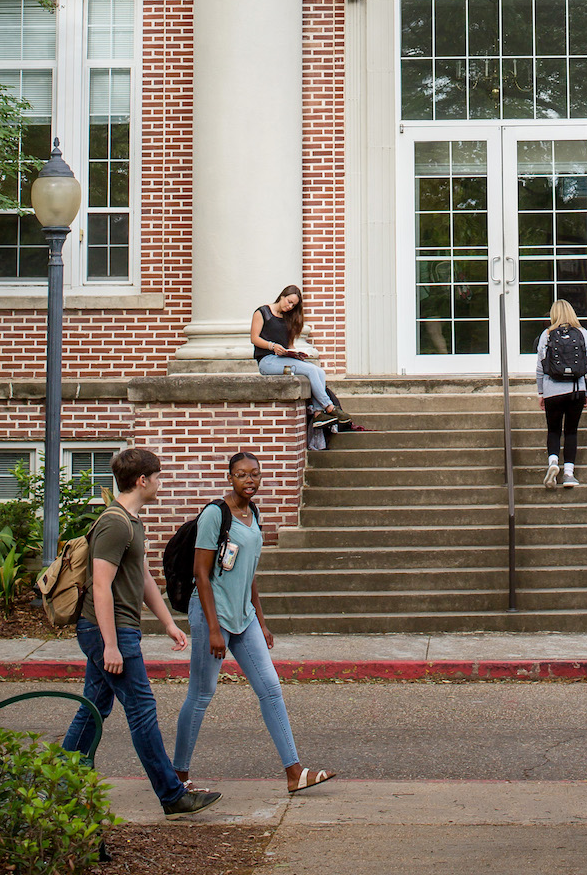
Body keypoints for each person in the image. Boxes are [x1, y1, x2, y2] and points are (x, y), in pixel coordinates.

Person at [61, 446, 220, 817]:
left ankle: (58, 783)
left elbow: (143, 576)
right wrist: (110, 646)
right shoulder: (115, 523)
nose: (161, 483)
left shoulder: (130, 521)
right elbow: (101, 587)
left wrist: (168, 623)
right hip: (109, 631)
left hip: (116, 630)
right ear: (142, 480)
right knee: (142, 710)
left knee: (94, 707)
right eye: (158, 476)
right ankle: (172, 795)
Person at [173, 451, 335, 794]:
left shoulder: (254, 513)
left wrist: (261, 621)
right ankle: (178, 776)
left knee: (271, 689)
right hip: (213, 615)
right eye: (242, 474)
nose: (250, 480)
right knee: (201, 695)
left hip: (243, 617)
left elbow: (249, 574)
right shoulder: (215, 514)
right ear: (230, 477)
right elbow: (201, 574)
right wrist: (213, 630)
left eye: (255, 474)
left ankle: (294, 772)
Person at [251, 285, 348, 429]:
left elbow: (290, 345)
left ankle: (318, 414)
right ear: (282, 296)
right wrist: (272, 346)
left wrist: (297, 355)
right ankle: (329, 407)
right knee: (310, 370)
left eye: (293, 305)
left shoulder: (288, 319)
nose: (290, 306)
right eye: (289, 302)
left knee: (319, 371)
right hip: (267, 361)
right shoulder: (263, 312)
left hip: (282, 359)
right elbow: (254, 338)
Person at [536, 300, 587, 490]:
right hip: (576, 390)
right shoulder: (583, 334)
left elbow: (540, 367)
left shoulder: (546, 335)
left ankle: (553, 462)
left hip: (552, 391)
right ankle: (569, 474)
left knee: (553, 430)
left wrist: (541, 392)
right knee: (571, 431)